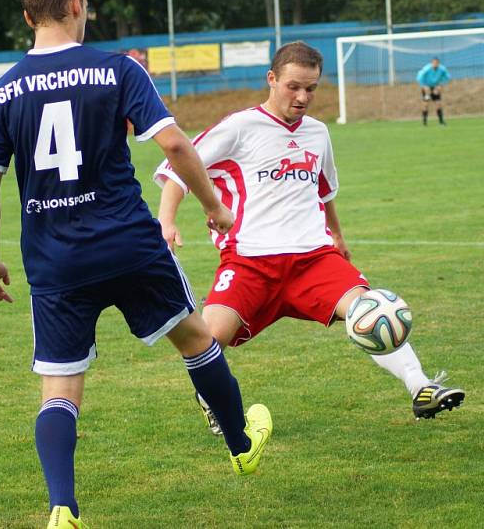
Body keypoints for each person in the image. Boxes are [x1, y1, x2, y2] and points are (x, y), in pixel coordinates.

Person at [0, 0, 271, 528]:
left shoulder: (3, 90)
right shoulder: (117, 68)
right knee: (195, 340)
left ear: (26, 16)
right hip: (130, 245)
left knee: (60, 391)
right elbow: (173, 143)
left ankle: (63, 507)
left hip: (55, 260)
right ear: (78, 5)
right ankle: (241, 445)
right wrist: (214, 205)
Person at [154, 41, 465, 436]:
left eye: (312, 89)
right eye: (293, 86)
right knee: (207, 340)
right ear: (272, 79)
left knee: (369, 311)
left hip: (313, 260)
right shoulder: (239, 127)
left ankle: (421, 387)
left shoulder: (318, 134)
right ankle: (211, 398)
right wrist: (167, 220)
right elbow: (179, 167)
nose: (303, 97)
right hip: (250, 262)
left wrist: (337, 235)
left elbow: (325, 189)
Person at [416, 57, 450, 126]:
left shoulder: (442, 69)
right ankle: (424, 122)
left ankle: (441, 122)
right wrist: (424, 86)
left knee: (438, 104)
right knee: (425, 104)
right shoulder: (427, 69)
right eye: (434, 63)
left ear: (439, 63)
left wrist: (440, 85)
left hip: (435, 88)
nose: (435, 64)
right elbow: (419, 76)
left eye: (437, 63)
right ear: (432, 63)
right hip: (427, 88)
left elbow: (447, 77)